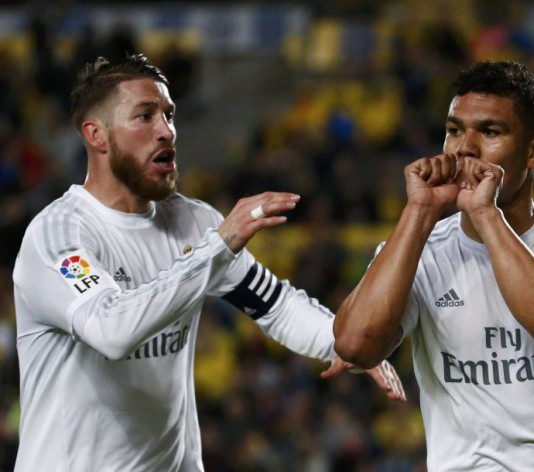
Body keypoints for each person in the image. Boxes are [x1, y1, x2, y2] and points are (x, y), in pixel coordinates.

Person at [12, 53, 405, 471]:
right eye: (144, 116)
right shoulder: (58, 237)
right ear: (97, 135)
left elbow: (274, 304)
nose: (166, 131)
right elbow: (111, 331)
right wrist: (217, 247)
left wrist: (340, 341)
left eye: (169, 114)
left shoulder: (193, 222)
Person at [333, 61, 534, 470]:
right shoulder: (418, 248)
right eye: (454, 130)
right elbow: (355, 346)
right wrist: (419, 211)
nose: (464, 148)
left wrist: (485, 215)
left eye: (490, 132)